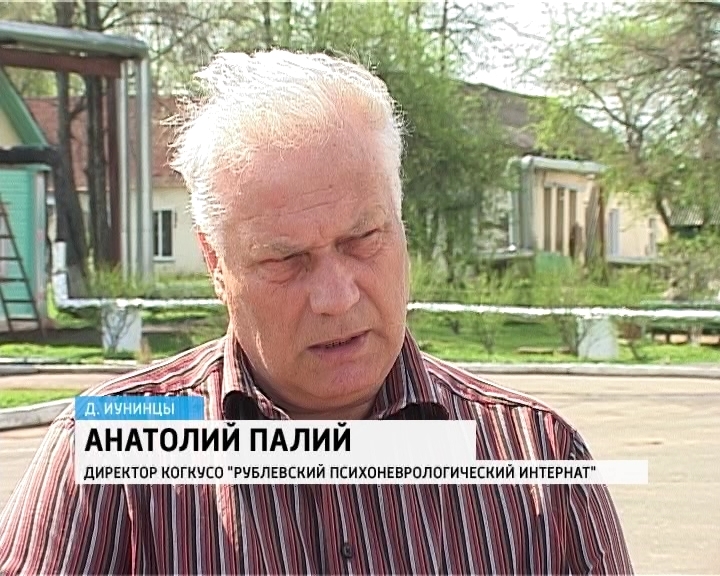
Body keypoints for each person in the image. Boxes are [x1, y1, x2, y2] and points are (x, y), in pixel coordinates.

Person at [0, 49, 633, 575]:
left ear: (401, 224)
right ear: (216, 263)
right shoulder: (107, 458)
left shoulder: (537, 461)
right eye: (285, 259)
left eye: (363, 240)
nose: (337, 297)